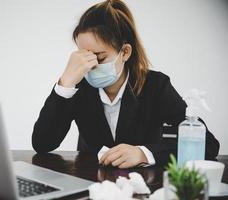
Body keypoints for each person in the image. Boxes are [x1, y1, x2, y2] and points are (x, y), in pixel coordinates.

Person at [32, 0, 219, 168]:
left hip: (143, 186)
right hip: (90, 183)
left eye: (99, 56)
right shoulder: (78, 88)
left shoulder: (156, 85)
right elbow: (42, 144)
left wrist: (144, 153)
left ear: (125, 52)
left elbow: (208, 144)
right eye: (83, 57)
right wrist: (65, 83)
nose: (91, 65)